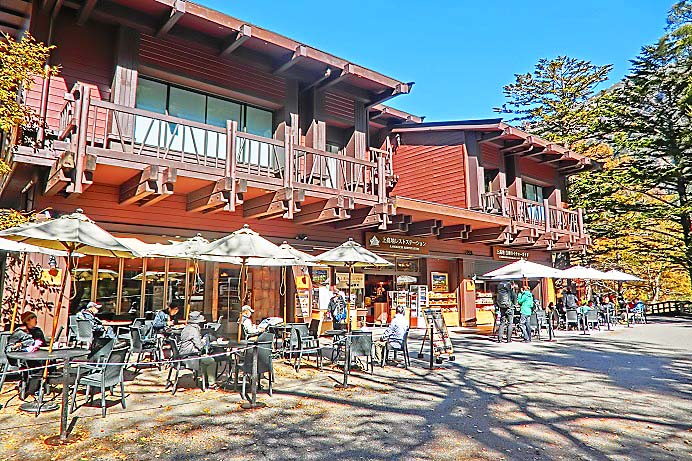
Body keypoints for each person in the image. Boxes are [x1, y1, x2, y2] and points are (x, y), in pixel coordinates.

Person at [178, 311, 217, 389]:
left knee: (206, 359)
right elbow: (199, 346)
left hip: (184, 354)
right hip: (189, 356)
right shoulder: (194, 330)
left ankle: (206, 381)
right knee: (211, 361)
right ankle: (211, 383)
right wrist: (204, 340)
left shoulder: (187, 328)